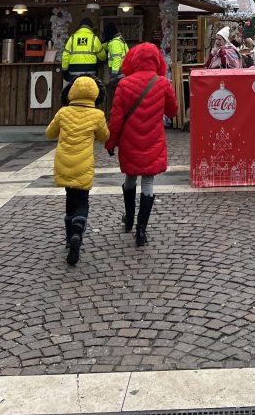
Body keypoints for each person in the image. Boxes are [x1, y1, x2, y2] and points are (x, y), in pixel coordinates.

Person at [105, 42, 177, 247]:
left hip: (129, 140)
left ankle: (128, 219)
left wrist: (111, 142)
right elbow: (173, 111)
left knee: (130, 178)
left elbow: (116, 119)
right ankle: (141, 231)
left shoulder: (124, 85)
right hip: (153, 140)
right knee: (148, 182)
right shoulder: (163, 83)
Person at [45, 75, 109, 266]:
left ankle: (68, 238)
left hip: (63, 162)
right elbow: (105, 136)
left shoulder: (63, 112)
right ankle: (78, 229)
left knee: (69, 198)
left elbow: (49, 133)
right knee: (82, 200)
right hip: (83, 163)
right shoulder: (97, 115)